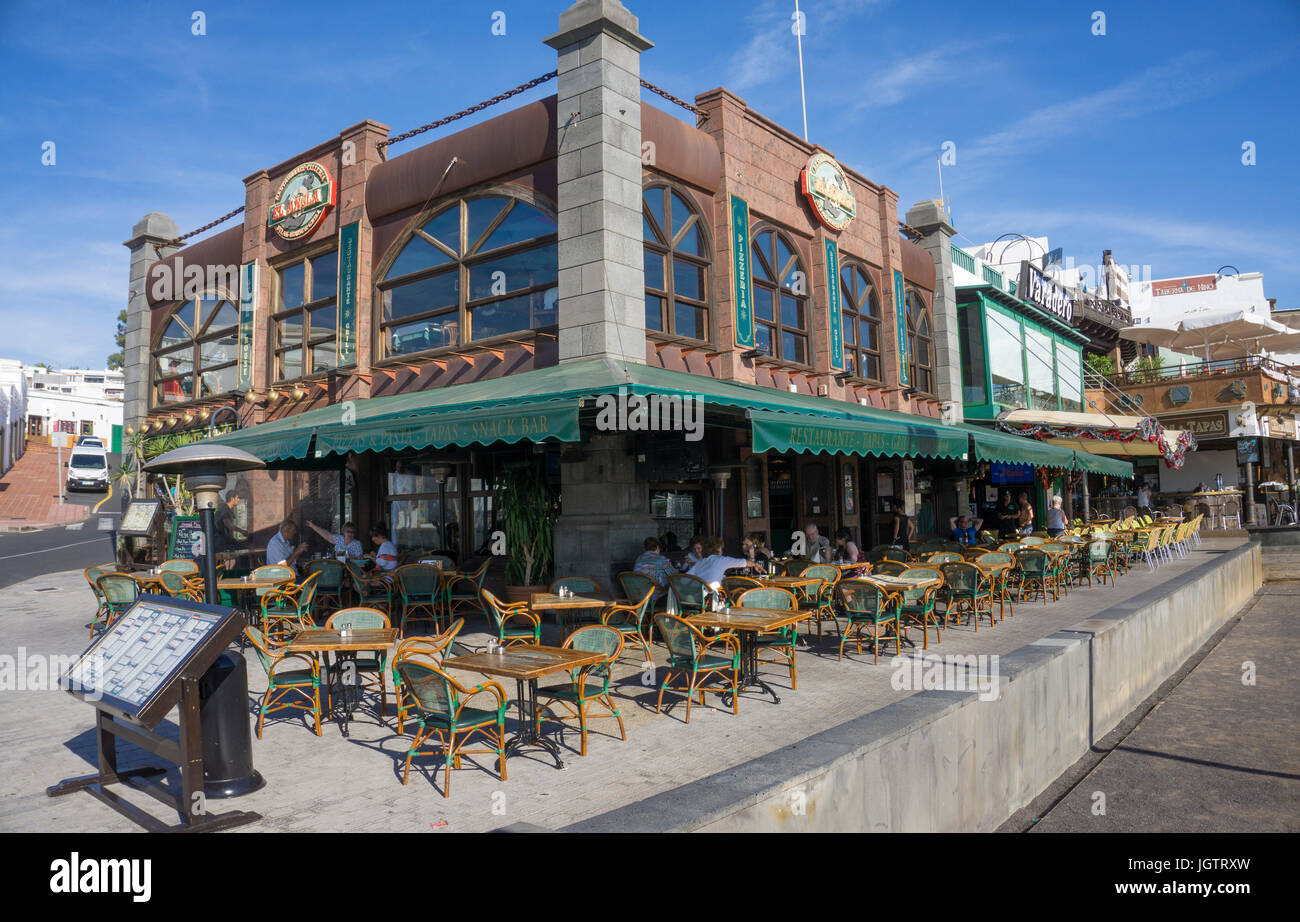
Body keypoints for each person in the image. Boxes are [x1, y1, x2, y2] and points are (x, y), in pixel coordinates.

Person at [686, 537, 757, 591]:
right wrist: (756, 564)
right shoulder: (722, 559)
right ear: (718, 549)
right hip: (711, 597)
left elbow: (684, 579)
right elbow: (745, 563)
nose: (722, 552)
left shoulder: (700, 562)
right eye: (721, 549)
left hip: (697, 596)